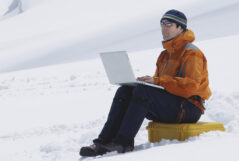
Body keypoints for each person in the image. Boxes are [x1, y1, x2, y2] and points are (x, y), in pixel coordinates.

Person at [79, 9, 211, 157]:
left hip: (190, 107)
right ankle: (102, 142)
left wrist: (156, 82)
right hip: (173, 105)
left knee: (144, 92)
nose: (163, 27)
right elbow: (161, 88)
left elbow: (191, 86)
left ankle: (123, 142)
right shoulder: (164, 55)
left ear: (180, 28)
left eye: (168, 24)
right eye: (161, 23)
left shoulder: (191, 53)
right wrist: (146, 82)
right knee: (126, 91)